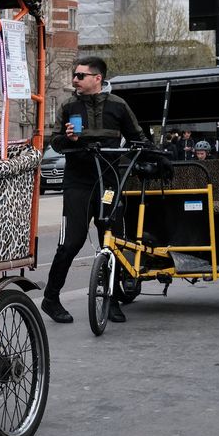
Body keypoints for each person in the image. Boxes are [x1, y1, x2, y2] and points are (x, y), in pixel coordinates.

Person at [41, 56, 146, 324]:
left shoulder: (118, 105)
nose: (74, 80)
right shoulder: (68, 105)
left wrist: (154, 158)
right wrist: (68, 139)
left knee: (111, 241)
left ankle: (110, 299)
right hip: (78, 183)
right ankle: (50, 299)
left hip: (109, 182)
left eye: (80, 76)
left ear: (97, 78)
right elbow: (55, 142)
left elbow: (138, 138)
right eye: (74, 75)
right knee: (70, 243)